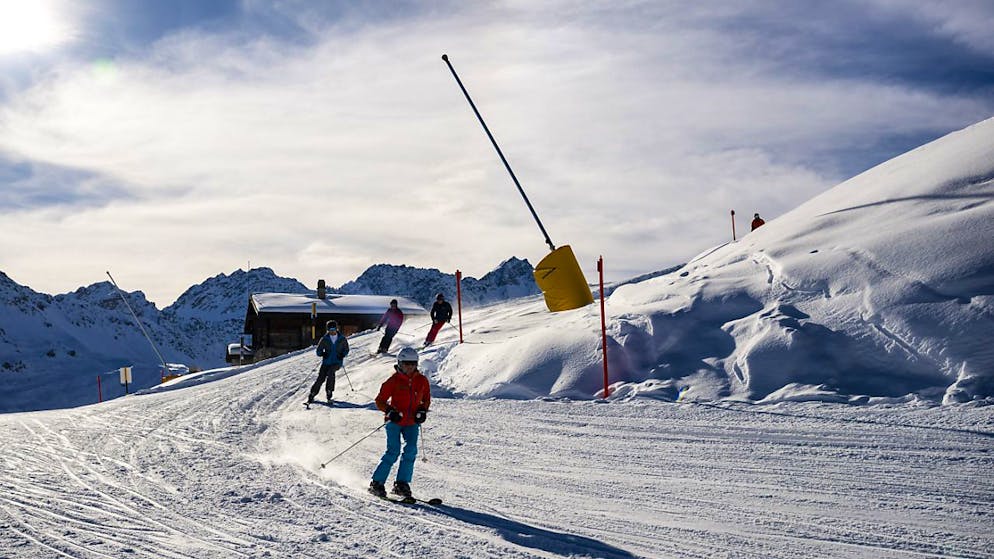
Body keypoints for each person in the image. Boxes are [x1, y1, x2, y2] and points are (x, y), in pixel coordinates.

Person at [368, 347, 431, 499]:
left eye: (413, 363)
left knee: (410, 451)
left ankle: (401, 484)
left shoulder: (422, 381)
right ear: (399, 363)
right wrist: (390, 411)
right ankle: (376, 483)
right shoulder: (393, 380)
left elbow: (426, 399)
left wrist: (422, 411)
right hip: (395, 421)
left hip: (411, 423)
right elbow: (380, 400)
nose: (409, 367)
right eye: (406, 363)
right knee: (393, 451)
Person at [308, 320, 349, 404]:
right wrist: (323, 354)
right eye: (330, 330)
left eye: (333, 329)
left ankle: (329, 393)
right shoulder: (324, 339)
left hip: (337, 362)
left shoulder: (342, 339)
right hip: (326, 362)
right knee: (321, 378)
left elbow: (346, 349)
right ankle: (312, 394)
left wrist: (342, 354)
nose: (332, 332)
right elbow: (318, 351)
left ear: (336, 329)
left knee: (331, 373)